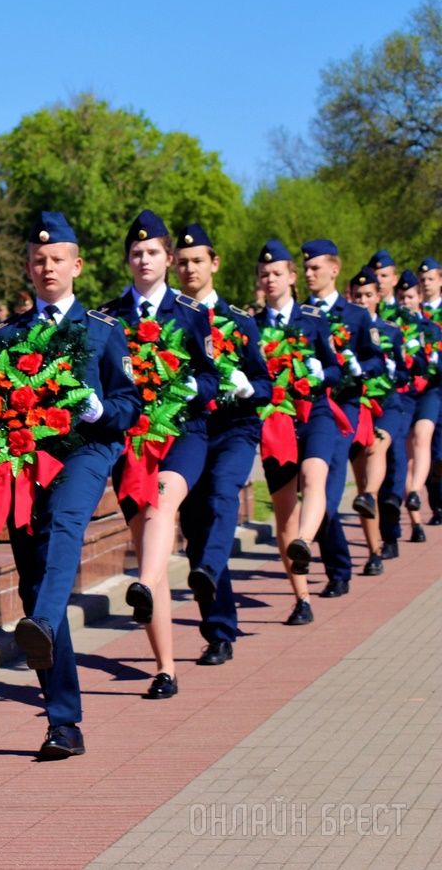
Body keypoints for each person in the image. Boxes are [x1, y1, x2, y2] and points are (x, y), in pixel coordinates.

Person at [0, 210, 140, 756]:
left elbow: (130, 405)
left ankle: (43, 624)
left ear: (76, 265)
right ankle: (64, 723)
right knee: (34, 576)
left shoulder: (104, 332)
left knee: (63, 527)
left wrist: (99, 408)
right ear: (28, 269)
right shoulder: (10, 334)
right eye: (38, 260)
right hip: (28, 457)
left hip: (87, 450)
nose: (47, 267)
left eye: (56, 258)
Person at [99, 210, 218, 699]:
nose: (144, 259)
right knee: (148, 530)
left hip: (184, 432)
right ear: (128, 261)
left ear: (168, 258)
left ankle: (143, 582)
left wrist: (189, 381)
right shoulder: (108, 317)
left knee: (163, 503)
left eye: (152, 252)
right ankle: (165, 667)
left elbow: (211, 376)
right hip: (133, 441)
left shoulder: (191, 312)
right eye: (136, 253)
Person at [174, 224, 272, 666]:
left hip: (235, 428)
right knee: (195, 525)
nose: (190, 268)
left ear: (214, 263)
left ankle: (211, 572)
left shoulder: (238, 319)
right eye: (183, 262)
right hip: (191, 430)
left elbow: (266, 384)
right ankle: (218, 628)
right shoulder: (169, 320)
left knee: (222, 492)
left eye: (198, 261)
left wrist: (247, 388)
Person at [253, 240, 341, 626]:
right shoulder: (250, 325)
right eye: (264, 275)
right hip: (277, 420)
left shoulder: (313, 318)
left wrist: (322, 372)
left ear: (291, 276)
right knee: (284, 507)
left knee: (314, 474)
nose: (271, 280)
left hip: (315, 410)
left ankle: (305, 540)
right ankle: (301, 597)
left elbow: (338, 368)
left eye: (277, 273)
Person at [296, 239, 384, 597]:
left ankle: (339, 569)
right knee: (311, 489)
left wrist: (358, 366)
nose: (309, 274)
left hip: (342, 409)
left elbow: (376, 358)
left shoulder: (357, 315)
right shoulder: (298, 314)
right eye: (305, 268)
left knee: (326, 495)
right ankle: (338, 567)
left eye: (315, 267)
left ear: (335, 268)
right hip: (308, 407)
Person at [346, 267, 407, 575]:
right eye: (357, 295)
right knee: (362, 474)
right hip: (357, 406)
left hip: (387, 406)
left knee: (379, 448)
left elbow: (407, 371)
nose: (362, 300)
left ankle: (373, 499)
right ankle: (375, 549)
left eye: (368, 295)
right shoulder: (343, 328)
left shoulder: (391, 331)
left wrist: (395, 370)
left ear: (378, 297)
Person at [393, 269, 440, 544]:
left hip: (430, 391)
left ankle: (414, 491)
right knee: (405, 452)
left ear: (419, 298)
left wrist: (434, 359)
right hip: (405, 393)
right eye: (402, 297)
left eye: (410, 296)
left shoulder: (430, 328)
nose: (406, 302)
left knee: (422, 437)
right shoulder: (392, 328)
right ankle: (415, 519)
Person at [418, 256, 442, 526]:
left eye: (430, 279)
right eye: (423, 280)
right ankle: (437, 506)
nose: (426, 283)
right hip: (427, 388)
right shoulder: (415, 315)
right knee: (429, 448)